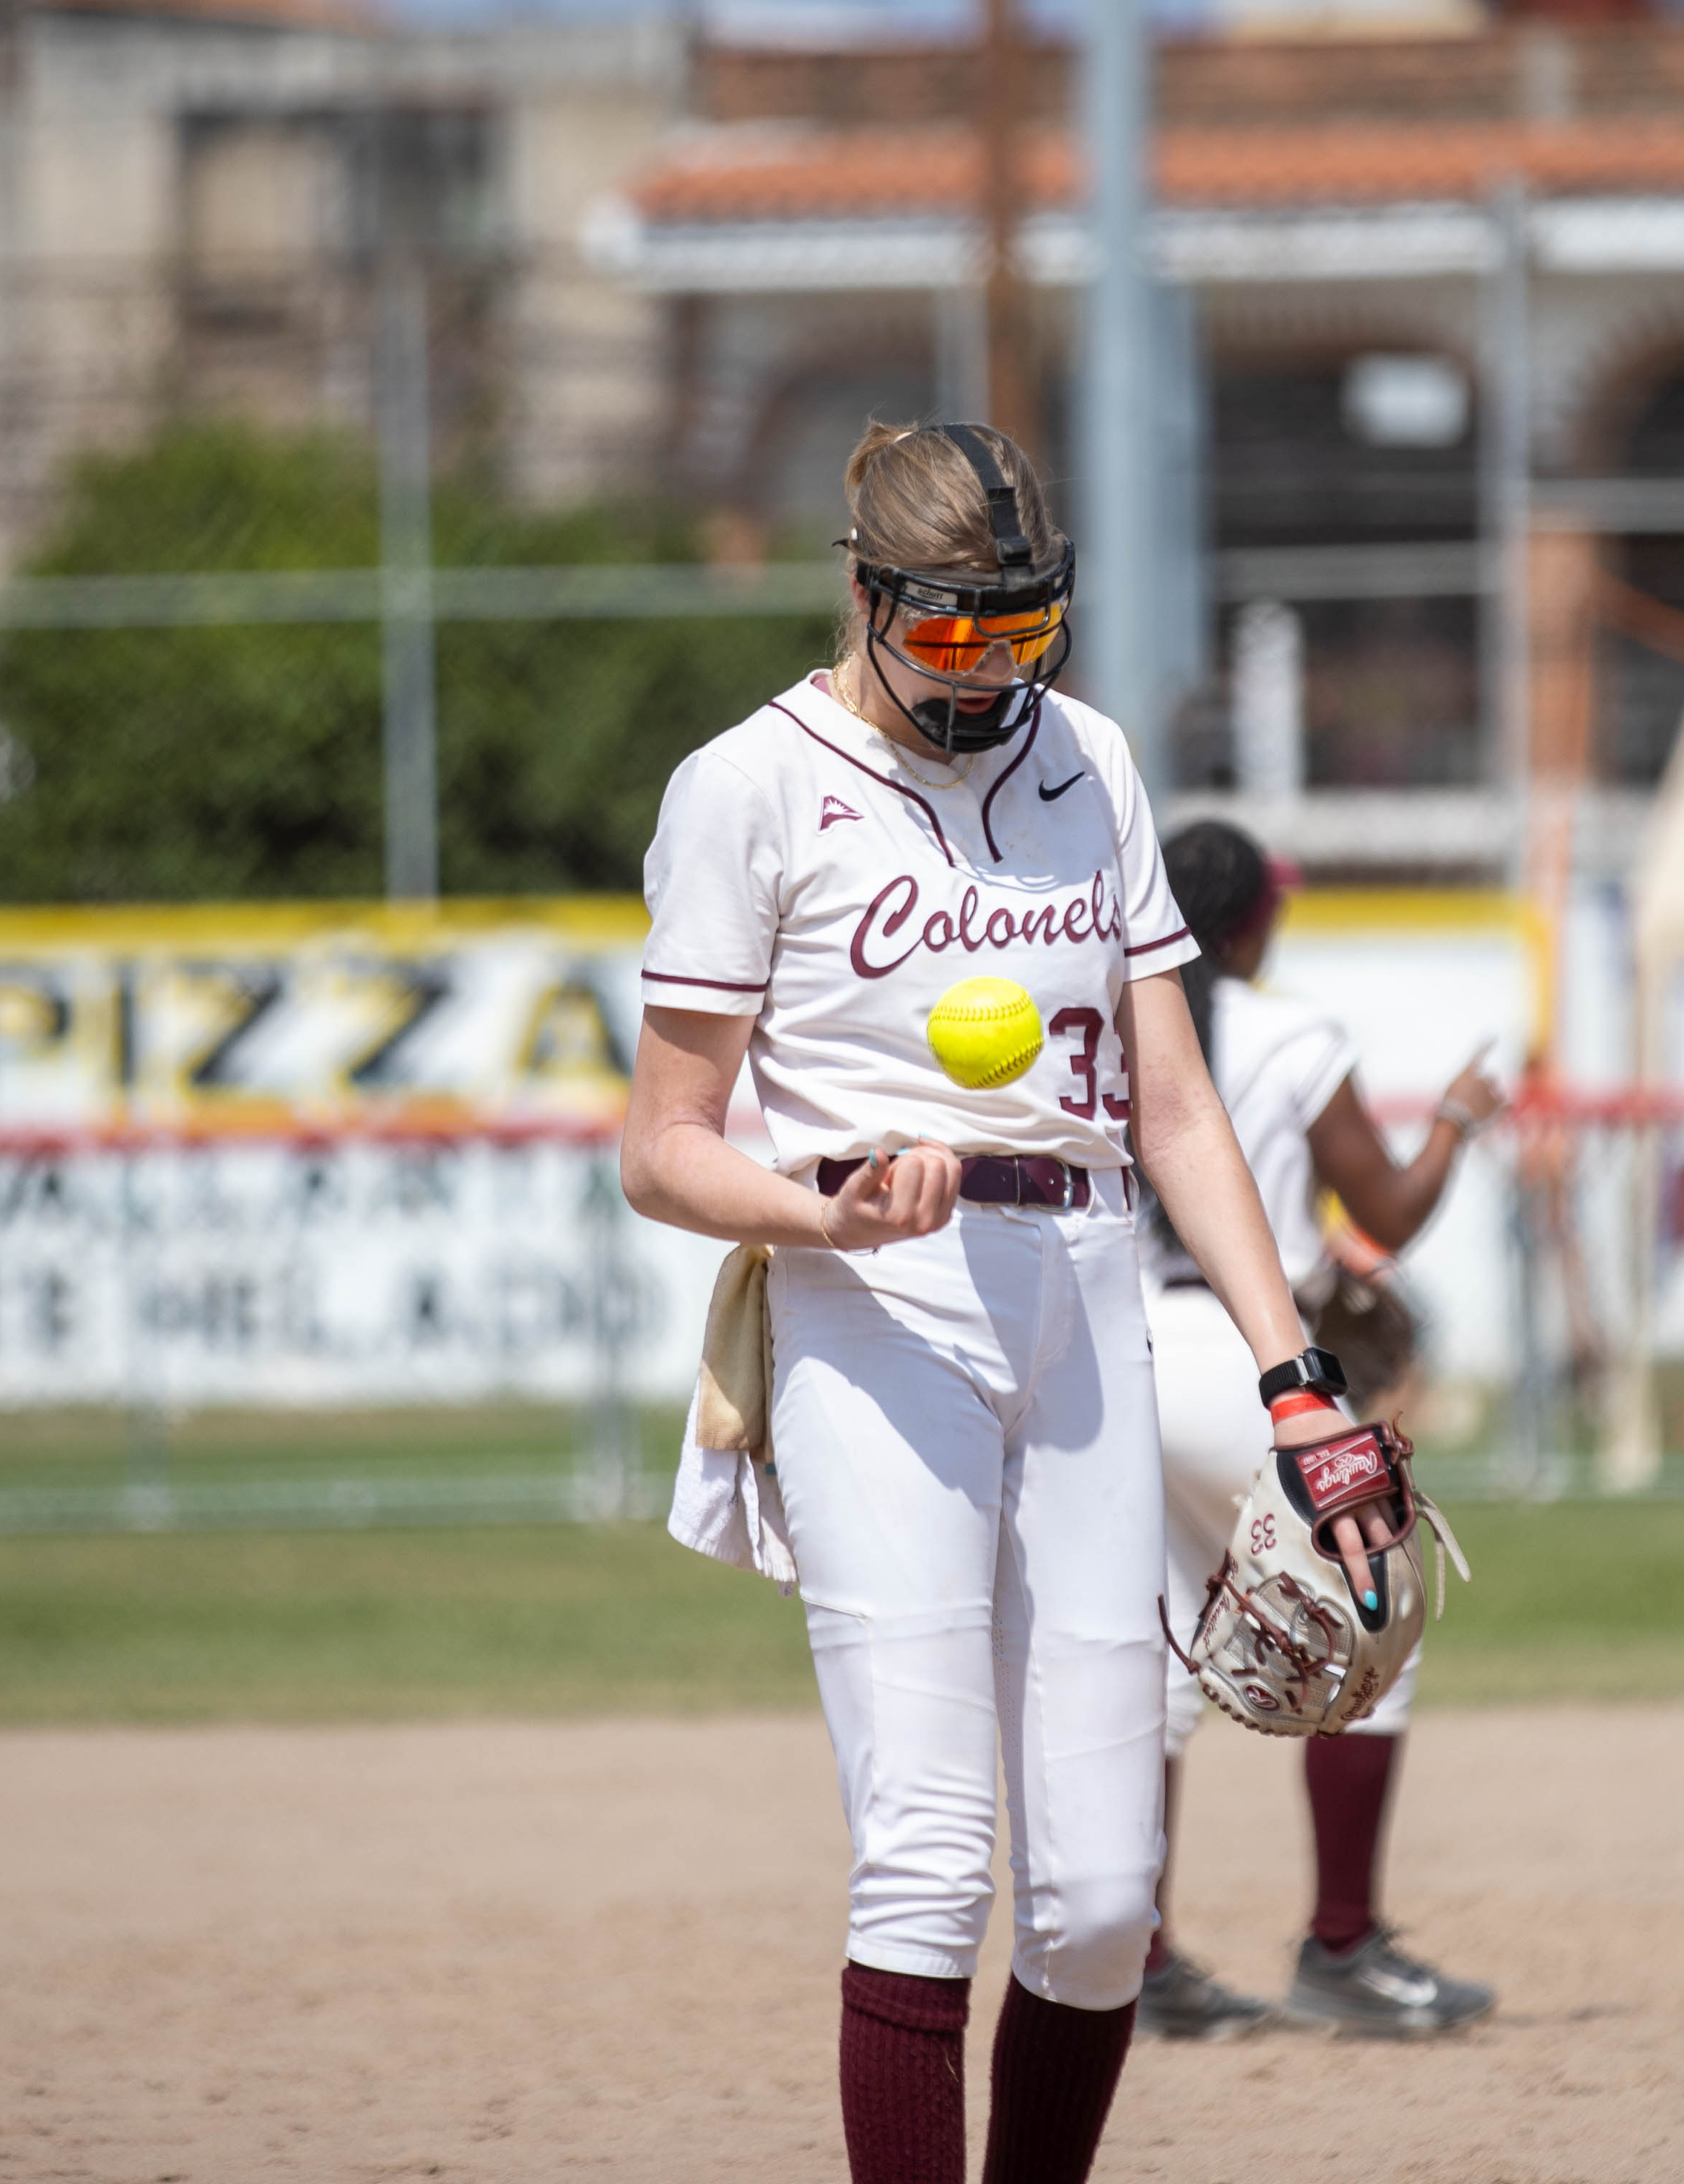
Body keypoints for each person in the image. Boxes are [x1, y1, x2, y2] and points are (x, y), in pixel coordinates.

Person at [623, 421, 1412, 2184]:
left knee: (1104, 1898)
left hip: (1086, 1289)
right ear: (861, 589)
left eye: (1020, 627)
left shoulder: (1089, 761)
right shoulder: (750, 787)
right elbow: (661, 1149)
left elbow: (1179, 1109)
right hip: (873, 1312)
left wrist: (1296, 1381)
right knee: (927, 1860)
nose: (986, 667)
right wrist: (820, 1208)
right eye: (947, 629)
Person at [1135, 820, 1506, 2043]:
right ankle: (1343, 1944)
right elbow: (1385, 1210)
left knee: (1159, 1663)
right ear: (1255, 922)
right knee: (1375, 1619)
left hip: (1117, 1359)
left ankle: (1135, 1962)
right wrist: (1455, 1120)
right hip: (1244, 1359)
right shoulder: (1287, 1033)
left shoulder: (1115, 1022)